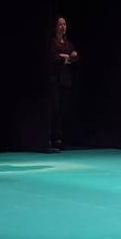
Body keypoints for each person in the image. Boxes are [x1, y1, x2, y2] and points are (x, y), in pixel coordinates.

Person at [49, 16, 79, 150]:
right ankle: (53, 138)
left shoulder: (68, 43)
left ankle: (61, 138)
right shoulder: (53, 42)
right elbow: (54, 58)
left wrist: (66, 57)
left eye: (65, 24)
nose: (63, 27)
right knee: (55, 109)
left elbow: (76, 57)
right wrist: (66, 57)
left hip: (66, 80)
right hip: (56, 80)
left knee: (64, 110)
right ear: (55, 27)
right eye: (60, 24)